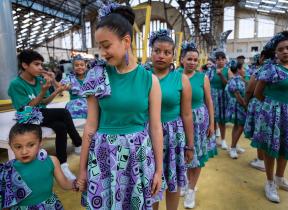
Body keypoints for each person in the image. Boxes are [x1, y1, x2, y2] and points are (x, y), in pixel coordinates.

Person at [77, 2, 164, 209]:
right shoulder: (96, 75)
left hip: (138, 156)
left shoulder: (149, 80)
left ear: (126, 41)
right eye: (99, 47)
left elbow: (155, 127)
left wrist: (159, 170)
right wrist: (82, 169)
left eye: (106, 45)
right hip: (103, 156)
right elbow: (90, 126)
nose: (102, 52)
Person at [7, 49, 82, 180]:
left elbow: (45, 102)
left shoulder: (39, 80)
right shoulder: (15, 84)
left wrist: (55, 90)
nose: (40, 68)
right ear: (25, 65)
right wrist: (42, 92)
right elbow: (27, 109)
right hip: (26, 116)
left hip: (39, 114)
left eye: (41, 64)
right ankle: (78, 142)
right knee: (64, 112)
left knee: (61, 127)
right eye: (36, 64)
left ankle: (62, 165)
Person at [252, 31, 288, 203]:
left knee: (284, 146)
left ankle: (280, 178)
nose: (285, 51)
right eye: (280, 49)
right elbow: (257, 92)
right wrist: (273, 106)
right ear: (275, 52)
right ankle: (269, 182)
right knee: (270, 149)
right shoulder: (271, 69)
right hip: (272, 115)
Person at [149, 29, 194, 210]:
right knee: (151, 179)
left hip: (173, 136)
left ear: (173, 56)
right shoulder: (143, 77)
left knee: (173, 180)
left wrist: (190, 145)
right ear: (151, 52)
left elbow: (187, 114)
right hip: (149, 135)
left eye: (167, 52)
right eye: (157, 51)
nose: (161, 56)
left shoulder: (181, 80)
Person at [0, 107, 78, 209]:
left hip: (49, 206)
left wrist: (77, 183)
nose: (24, 151)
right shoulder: (8, 169)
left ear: (40, 143)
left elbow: (65, 183)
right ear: (11, 146)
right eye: (18, 147)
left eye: (31, 145)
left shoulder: (52, 161)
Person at [180, 41, 216, 209]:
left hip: (200, 121)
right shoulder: (176, 76)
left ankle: (191, 190)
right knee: (186, 155)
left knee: (198, 157)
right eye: (189, 59)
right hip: (180, 121)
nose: (193, 62)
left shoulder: (203, 77)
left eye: (195, 59)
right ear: (181, 60)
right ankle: (187, 182)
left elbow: (209, 101)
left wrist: (212, 124)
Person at [244, 50, 272, 171]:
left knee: (259, 133)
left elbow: (250, 89)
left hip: (259, 104)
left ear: (262, 58)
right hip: (273, 105)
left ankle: (261, 160)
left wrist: (246, 102)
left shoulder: (260, 71)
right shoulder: (279, 70)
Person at [207, 51, 229, 149]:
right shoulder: (211, 71)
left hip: (222, 98)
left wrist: (221, 75)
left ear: (225, 60)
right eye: (218, 59)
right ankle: (214, 140)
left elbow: (228, 85)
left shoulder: (227, 70)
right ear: (215, 61)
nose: (220, 61)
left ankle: (223, 140)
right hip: (212, 97)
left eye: (222, 59)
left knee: (222, 120)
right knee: (213, 119)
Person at [225, 62, 247, 159]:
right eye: (243, 68)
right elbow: (237, 95)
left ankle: (235, 145)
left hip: (238, 105)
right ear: (238, 70)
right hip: (238, 105)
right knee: (241, 126)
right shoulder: (235, 80)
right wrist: (245, 105)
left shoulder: (240, 79)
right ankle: (233, 148)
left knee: (237, 125)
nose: (244, 70)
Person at [60, 54, 88, 119]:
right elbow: (60, 86)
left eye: (82, 65)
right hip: (74, 106)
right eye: (76, 65)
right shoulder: (69, 78)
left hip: (90, 105)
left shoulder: (91, 77)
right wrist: (53, 80)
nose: (79, 67)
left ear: (85, 67)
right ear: (73, 68)